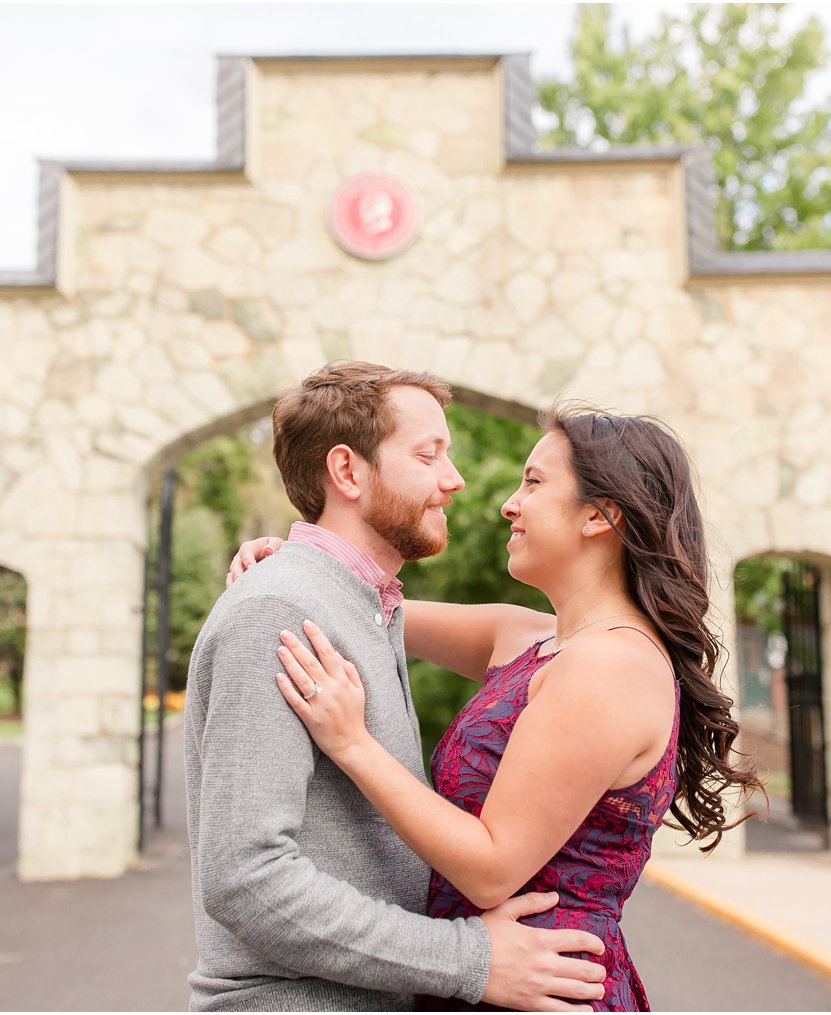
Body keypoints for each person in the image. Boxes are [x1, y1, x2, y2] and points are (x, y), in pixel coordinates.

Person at [233, 407, 761, 1011]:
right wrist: (299, 561)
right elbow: (363, 602)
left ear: (601, 514)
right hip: (481, 979)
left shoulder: (609, 668)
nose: (509, 504)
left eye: (534, 483)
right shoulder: (531, 639)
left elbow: (490, 868)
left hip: (538, 990)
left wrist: (353, 746)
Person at [184, 361, 609, 1012]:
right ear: (348, 472)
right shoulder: (276, 609)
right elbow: (244, 877)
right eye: (428, 454)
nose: (454, 479)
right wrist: (469, 959)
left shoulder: (360, 604)